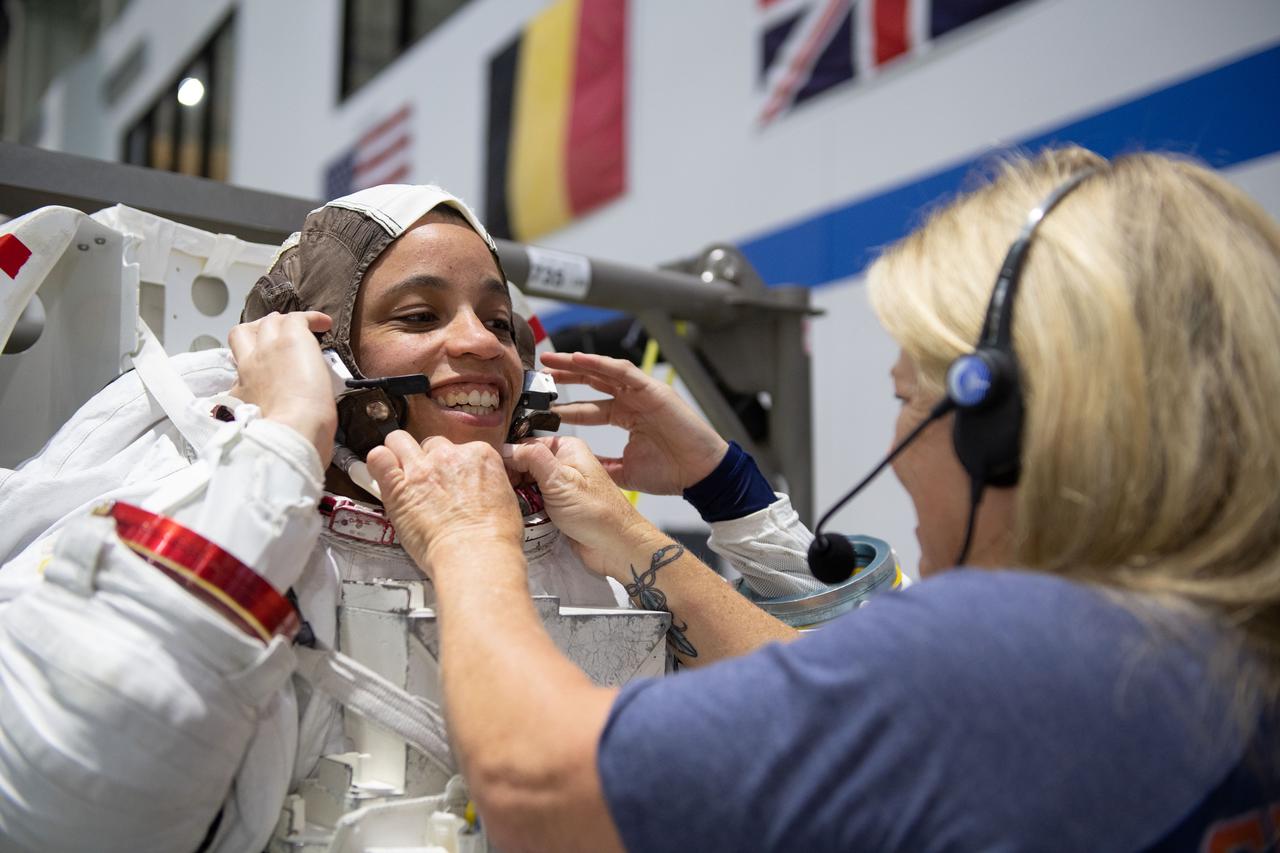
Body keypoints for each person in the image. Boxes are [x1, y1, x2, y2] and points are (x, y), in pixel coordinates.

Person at [365, 148, 1280, 852]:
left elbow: (538, 779)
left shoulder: (1017, 649)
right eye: (416, 317)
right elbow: (833, 690)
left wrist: (468, 541)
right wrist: (677, 514)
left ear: (1000, 418)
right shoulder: (1214, 636)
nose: (475, 346)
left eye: (905, 402)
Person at [0, 183, 818, 851]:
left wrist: (729, 491)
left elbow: (842, 727)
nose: (484, 344)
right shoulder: (208, 512)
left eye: (499, 322)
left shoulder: (583, 540)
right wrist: (280, 447)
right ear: (322, 361)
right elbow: (85, 795)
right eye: (421, 316)